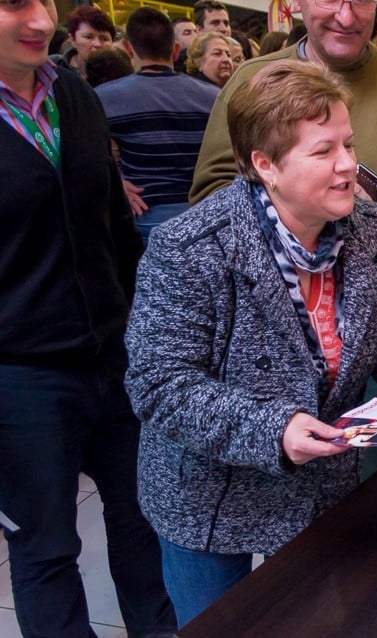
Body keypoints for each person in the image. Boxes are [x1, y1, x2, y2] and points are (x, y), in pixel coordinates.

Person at [124, 60, 377, 627]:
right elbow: (160, 385)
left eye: (349, 143)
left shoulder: (368, 230)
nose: (349, 166)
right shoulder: (192, 246)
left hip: (323, 489)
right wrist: (274, 428)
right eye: (323, 152)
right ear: (264, 165)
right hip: (210, 498)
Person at [0, 0, 177, 635]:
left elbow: (111, 221)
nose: (39, 21)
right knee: (46, 548)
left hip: (113, 354)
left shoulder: (70, 92)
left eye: (42, 3)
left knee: (142, 519)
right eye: (13, 5)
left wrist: (141, 325)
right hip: (21, 376)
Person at [190, 0, 377, 322]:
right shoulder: (251, 82)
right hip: (271, 321)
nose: (346, 15)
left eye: (361, 1)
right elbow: (210, 194)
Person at [96, 8, 219, 239]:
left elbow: (86, 154)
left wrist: (117, 181)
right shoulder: (213, 96)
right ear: (175, 51)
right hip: (206, 217)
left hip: (145, 219)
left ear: (128, 49)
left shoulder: (105, 98)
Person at [66, 5, 115, 80]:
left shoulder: (120, 74)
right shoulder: (55, 70)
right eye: (88, 37)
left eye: (104, 39)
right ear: (72, 40)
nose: (98, 44)